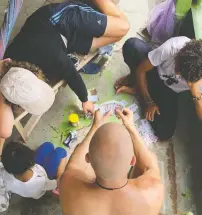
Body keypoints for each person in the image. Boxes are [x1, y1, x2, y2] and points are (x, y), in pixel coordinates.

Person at [0, 0, 129, 143]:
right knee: (113, 37)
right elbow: (5, 131)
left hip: (60, 19)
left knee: (123, 28)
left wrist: (85, 99)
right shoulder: (7, 67)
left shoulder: (54, 57)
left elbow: (71, 73)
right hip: (62, 41)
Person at [60, 109, 164, 215]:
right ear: (132, 160)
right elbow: (149, 164)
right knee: (147, 162)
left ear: (88, 158)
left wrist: (95, 127)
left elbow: (74, 165)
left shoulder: (67, 185)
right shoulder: (154, 192)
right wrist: (130, 127)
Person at [115, 37, 202, 140]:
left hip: (169, 91)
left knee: (165, 132)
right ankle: (137, 82)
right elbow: (141, 70)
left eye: (180, 73)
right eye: (177, 65)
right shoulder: (175, 46)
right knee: (132, 45)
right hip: (154, 70)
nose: (176, 72)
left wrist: (195, 91)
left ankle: (139, 89)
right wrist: (149, 102)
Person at [1, 141, 67, 199]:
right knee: (61, 151)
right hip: (45, 174)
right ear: (31, 161)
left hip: (29, 169)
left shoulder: (3, 173)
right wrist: (59, 177)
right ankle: (59, 174)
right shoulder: (41, 182)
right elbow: (56, 184)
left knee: (48, 145)